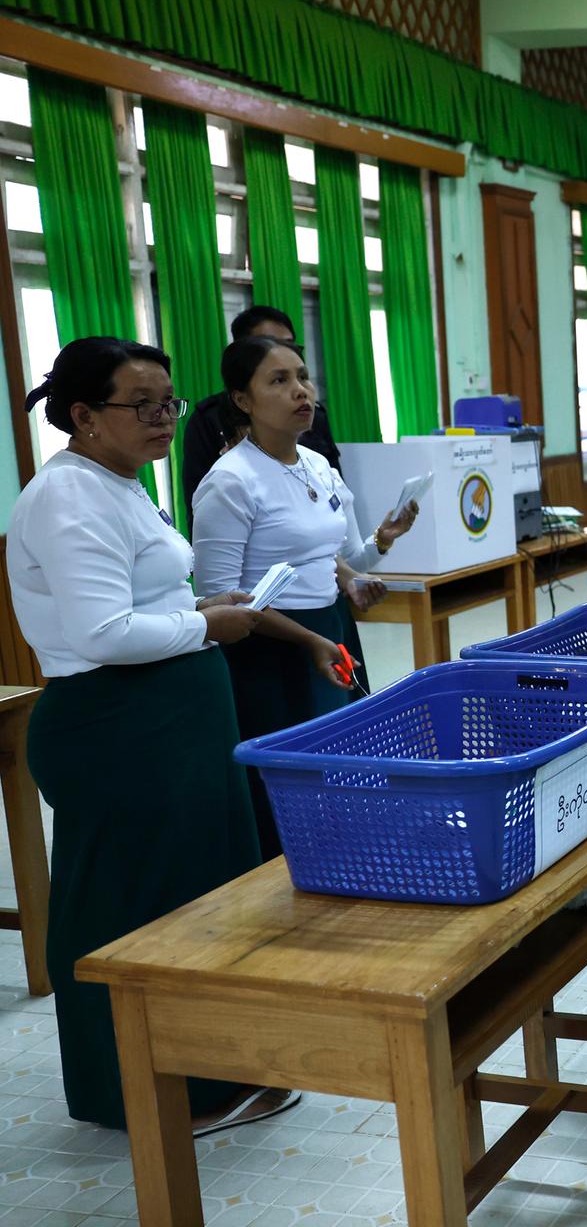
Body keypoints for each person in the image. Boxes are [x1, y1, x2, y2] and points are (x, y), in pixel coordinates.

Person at [7, 337, 296, 1134]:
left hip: (167, 719)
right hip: (116, 728)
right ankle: (137, 1094)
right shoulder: (69, 497)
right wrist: (208, 624)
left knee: (196, 898)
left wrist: (207, 609)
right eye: (142, 404)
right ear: (83, 416)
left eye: (169, 400)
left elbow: (147, 600)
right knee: (130, 913)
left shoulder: (119, 482)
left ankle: (209, 1074)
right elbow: (102, 633)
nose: (165, 417)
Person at [191, 336, 417, 859]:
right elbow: (217, 599)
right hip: (269, 649)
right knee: (288, 782)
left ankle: (343, 865)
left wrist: (382, 542)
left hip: (329, 631)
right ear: (242, 401)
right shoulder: (229, 482)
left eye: (302, 377)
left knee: (337, 763)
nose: (300, 391)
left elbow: (338, 558)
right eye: (279, 381)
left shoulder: (317, 464)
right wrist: (310, 640)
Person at [181, 305, 341, 522]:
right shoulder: (209, 420)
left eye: (289, 345)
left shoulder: (313, 416)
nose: (281, 353)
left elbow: (338, 502)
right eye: (268, 344)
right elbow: (203, 515)